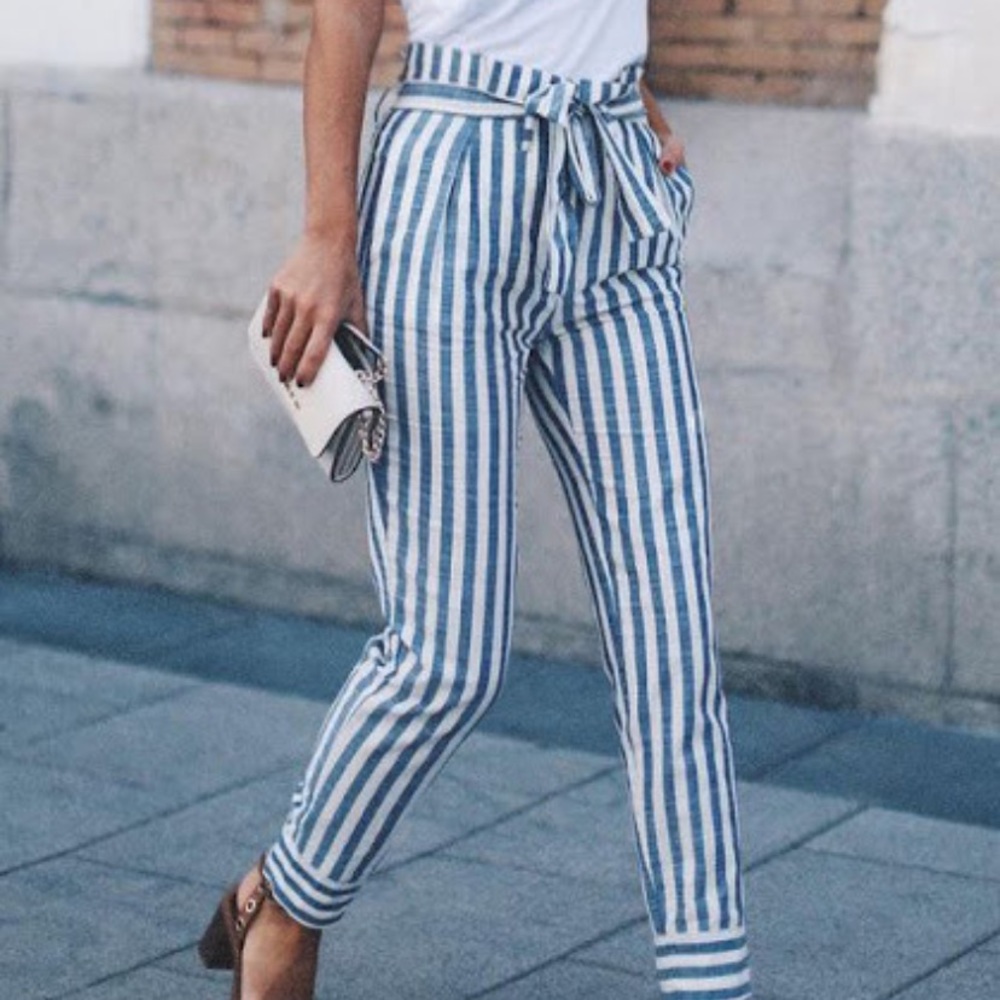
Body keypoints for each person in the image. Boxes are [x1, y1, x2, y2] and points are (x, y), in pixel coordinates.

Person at [198, 1, 753, 997]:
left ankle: (712, 981)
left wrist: (630, 87)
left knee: (673, 639)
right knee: (446, 659)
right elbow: (348, 13)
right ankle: (286, 898)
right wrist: (329, 233)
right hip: (454, 183)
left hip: (613, 186)